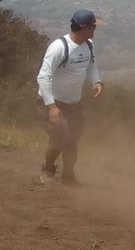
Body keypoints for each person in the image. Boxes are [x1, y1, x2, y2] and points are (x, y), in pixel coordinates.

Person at [35, 10, 104, 185]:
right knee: (60, 136)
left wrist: (97, 81)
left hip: (74, 102)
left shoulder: (88, 45)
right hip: (52, 101)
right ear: (83, 27)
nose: (95, 30)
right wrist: (51, 107)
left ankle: (68, 175)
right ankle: (48, 169)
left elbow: (91, 66)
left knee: (73, 138)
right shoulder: (59, 47)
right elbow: (43, 76)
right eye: (92, 26)